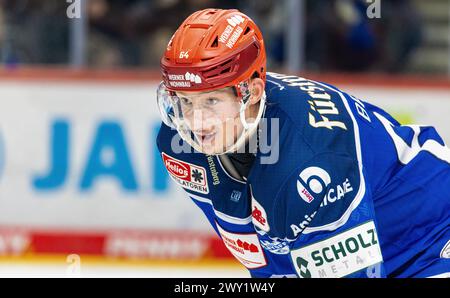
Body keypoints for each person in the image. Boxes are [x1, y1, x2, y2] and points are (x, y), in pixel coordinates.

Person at [156, 8, 450, 278]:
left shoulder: (310, 158)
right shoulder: (178, 144)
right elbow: (265, 257)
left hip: (432, 234)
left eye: (211, 100)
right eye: (185, 102)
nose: (196, 122)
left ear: (253, 92)